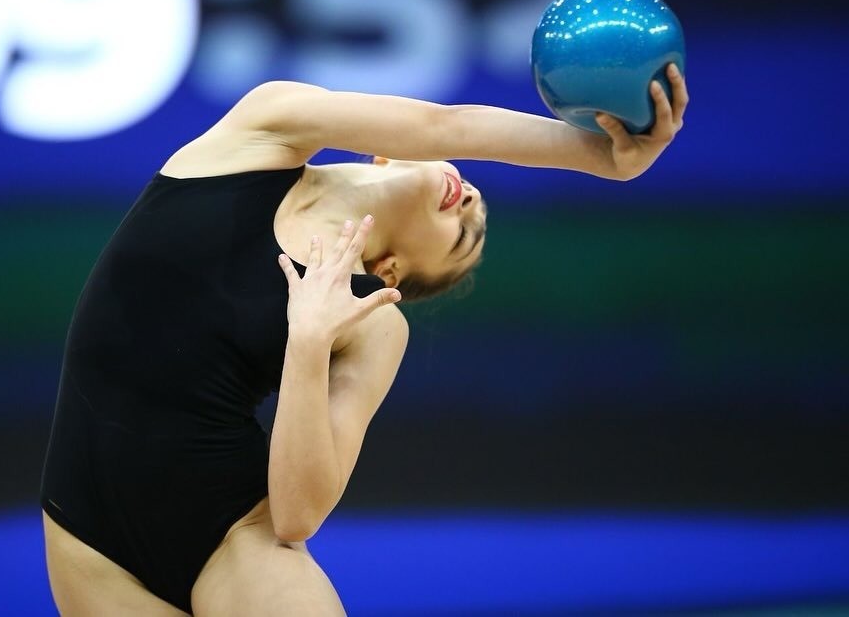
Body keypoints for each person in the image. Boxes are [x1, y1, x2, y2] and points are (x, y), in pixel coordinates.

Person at [40, 64, 689, 616]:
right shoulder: (261, 129)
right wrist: (601, 156)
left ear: (392, 273)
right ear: (387, 153)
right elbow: (446, 125)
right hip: (88, 539)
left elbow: (296, 517)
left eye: (464, 237)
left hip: (231, 539)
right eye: (474, 201)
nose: (467, 205)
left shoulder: (373, 321)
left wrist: (308, 342)